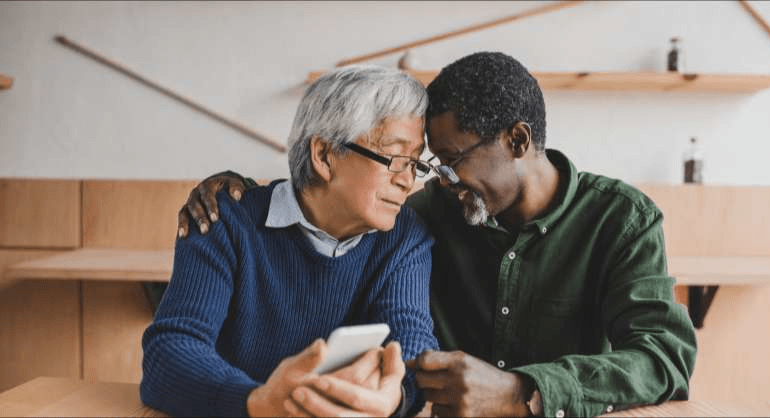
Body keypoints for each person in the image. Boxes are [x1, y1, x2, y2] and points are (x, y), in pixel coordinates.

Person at [178, 52, 697, 417]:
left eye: (449, 162)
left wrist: (526, 392)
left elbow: (663, 357)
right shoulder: (428, 213)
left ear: (517, 140)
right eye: (426, 164)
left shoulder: (620, 219)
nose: (429, 180)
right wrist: (234, 191)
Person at [141, 65, 439, 417]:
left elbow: (413, 347)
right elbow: (170, 351)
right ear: (324, 156)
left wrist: (396, 396)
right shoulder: (225, 220)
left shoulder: (405, 237)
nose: (407, 180)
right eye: (395, 158)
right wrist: (257, 402)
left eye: (415, 162)